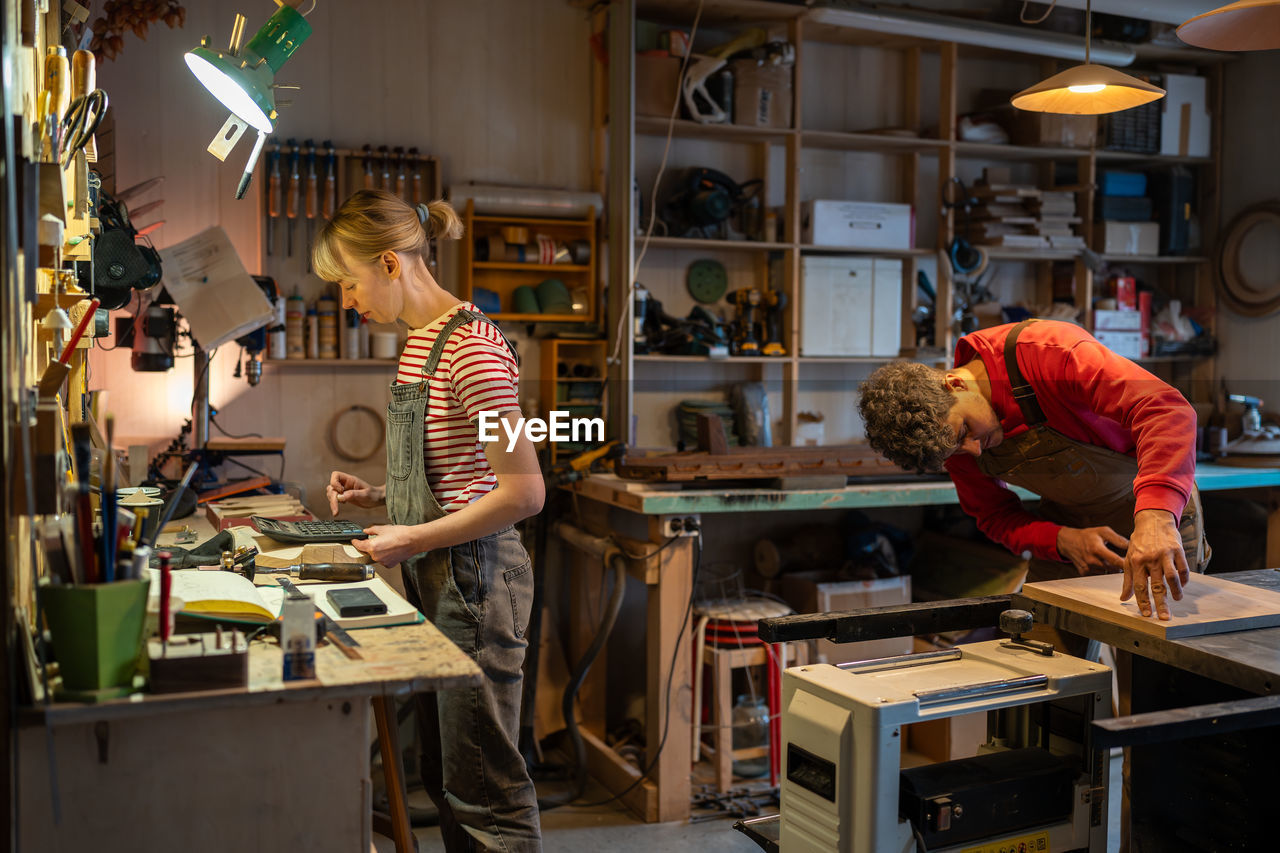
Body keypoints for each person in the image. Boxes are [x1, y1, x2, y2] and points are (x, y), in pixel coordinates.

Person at [313, 190, 543, 852]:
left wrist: (411, 536)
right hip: (440, 571)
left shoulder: (471, 348)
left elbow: (525, 491)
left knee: (486, 788)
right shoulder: (421, 343)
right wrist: (382, 495)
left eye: (350, 282)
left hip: (479, 579)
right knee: (448, 774)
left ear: (389, 264)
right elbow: (460, 474)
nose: (347, 299)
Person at [858, 318, 1210, 626]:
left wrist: (1156, 518)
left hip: (1154, 511)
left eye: (965, 432)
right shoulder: (948, 436)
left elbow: (1166, 410)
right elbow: (994, 515)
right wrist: (1060, 540)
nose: (974, 451)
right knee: (1045, 648)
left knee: (1156, 655)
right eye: (956, 450)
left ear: (955, 384)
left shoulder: (1047, 353)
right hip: (1071, 530)